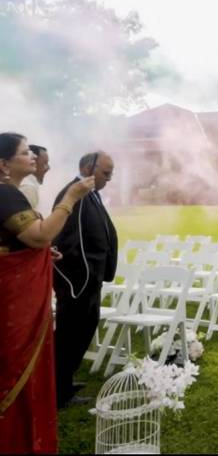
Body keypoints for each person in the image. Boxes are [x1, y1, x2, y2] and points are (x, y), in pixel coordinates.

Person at [0, 133, 94, 453]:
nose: (34, 158)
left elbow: (20, 243)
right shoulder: (6, 194)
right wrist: (71, 198)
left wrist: (37, 255)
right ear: (3, 164)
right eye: (25, 153)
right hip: (12, 302)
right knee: (14, 368)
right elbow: (39, 236)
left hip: (12, 289)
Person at [52, 150, 118, 409]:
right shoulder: (74, 193)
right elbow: (68, 240)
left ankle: (65, 381)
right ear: (88, 168)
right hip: (79, 281)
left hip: (92, 279)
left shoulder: (91, 193)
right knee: (70, 334)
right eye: (106, 172)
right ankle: (59, 391)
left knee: (82, 332)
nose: (109, 178)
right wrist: (85, 278)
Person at [19, 144, 49, 210]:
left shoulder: (22, 184)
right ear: (32, 162)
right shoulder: (28, 189)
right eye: (45, 163)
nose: (48, 168)